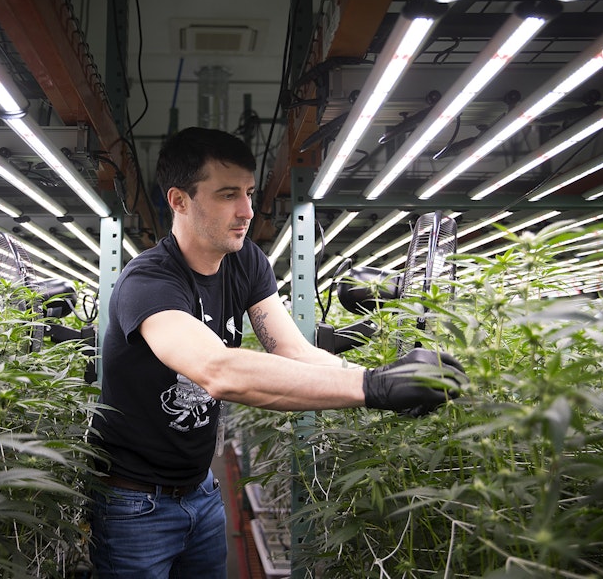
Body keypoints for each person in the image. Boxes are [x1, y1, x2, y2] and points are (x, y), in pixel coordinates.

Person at [88, 127, 467, 578]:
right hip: (135, 503)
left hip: (201, 492)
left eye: (248, 193)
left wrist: (384, 374)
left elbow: (292, 350)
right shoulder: (148, 281)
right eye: (228, 194)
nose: (247, 211)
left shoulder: (246, 261)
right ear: (179, 200)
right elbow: (218, 370)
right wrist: (374, 388)